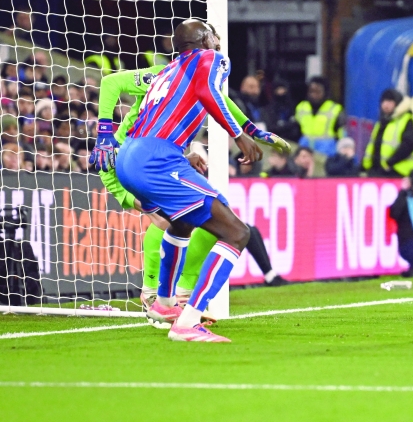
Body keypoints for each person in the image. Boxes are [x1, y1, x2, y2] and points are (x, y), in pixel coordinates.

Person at [90, 61, 289, 313]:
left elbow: (221, 102)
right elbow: (112, 82)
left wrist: (252, 131)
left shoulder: (201, 84)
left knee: (211, 216)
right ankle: (153, 293)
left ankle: (181, 293)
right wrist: (104, 134)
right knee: (166, 220)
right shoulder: (164, 75)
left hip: (155, 159)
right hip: (122, 158)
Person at [114, 20, 268, 342]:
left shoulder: (168, 71)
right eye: (215, 36)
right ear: (202, 40)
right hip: (156, 158)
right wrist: (239, 135)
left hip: (130, 156)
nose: (219, 42)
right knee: (237, 232)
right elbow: (210, 94)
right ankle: (188, 320)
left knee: (182, 222)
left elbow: (165, 116)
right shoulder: (208, 59)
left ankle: (164, 302)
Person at [362, 88, 413, 177]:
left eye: (390, 101)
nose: (386, 105)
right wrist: (365, 166)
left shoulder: (406, 120)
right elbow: (372, 146)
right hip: (378, 172)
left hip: (398, 172)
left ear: (397, 103)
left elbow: (408, 145)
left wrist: (389, 163)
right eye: (384, 101)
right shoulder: (380, 123)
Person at [295, 76, 344, 156]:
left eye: (318, 92)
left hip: (326, 155)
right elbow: (295, 131)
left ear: (325, 92)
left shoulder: (335, 109)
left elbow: (342, 136)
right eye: (311, 91)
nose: (314, 95)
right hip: (304, 154)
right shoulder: (301, 107)